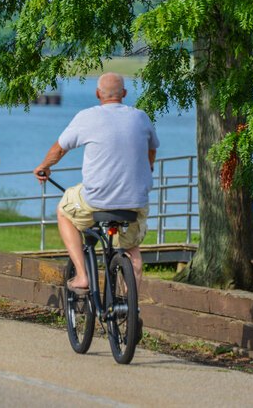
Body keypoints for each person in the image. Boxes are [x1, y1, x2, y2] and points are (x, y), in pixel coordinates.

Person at [33, 72, 159, 295]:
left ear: (97, 94)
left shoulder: (87, 117)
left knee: (64, 211)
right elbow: (151, 150)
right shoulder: (141, 117)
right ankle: (130, 310)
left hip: (96, 200)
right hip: (135, 201)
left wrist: (44, 167)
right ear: (125, 94)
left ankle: (82, 276)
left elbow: (60, 148)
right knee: (133, 252)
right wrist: (146, 169)